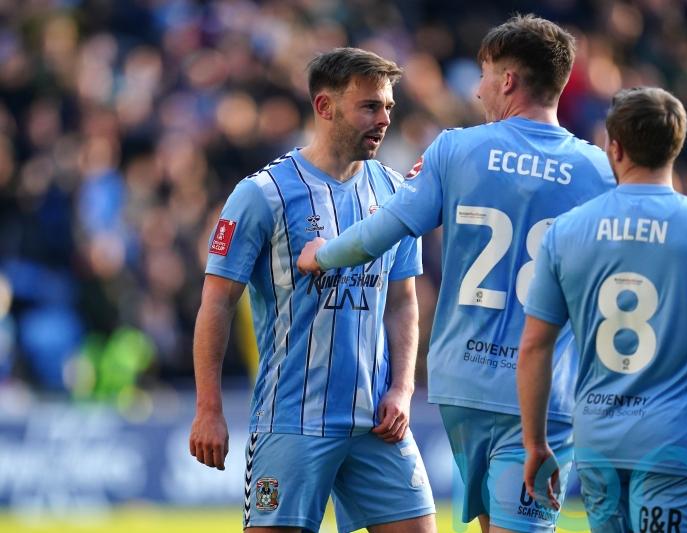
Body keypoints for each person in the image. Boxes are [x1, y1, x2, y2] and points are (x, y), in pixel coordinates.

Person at [298, 15, 616, 533]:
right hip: (542, 394)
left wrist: (322, 254)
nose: (477, 87)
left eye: (486, 74)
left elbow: (386, 229)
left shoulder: (456, 149)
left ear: (509, 81)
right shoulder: (598, 172)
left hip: (463, 385)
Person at [188, 47, 436, 533]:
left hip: (376, 421)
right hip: (292, 420)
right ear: (325, 108)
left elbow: (402, 302)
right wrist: (208, 410)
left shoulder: (393, 192)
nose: (384, 119)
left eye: (388, 106)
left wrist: (403, 390)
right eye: (370, 106)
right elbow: (216, 303)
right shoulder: (263, 194)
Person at [518, 87, 687, 533]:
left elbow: (534, 347)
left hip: (599, 444)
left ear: (614, 147)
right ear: (674, 148)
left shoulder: (566, 232)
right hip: (676, 443)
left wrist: (535, 443)